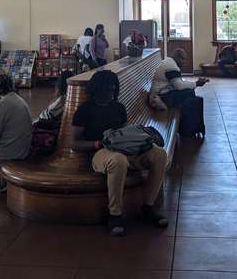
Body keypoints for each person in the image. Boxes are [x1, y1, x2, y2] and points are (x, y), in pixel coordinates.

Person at [71, 70, 168, 236]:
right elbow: (74, 143)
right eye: (107, 89)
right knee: (118, 160)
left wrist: (137, 140)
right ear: (97, 90)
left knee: (159, 154)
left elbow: (124, 131)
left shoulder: (118, 107)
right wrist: (98, 143)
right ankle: (114, 214)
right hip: (100, 152)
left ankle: (148, 206)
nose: (111, 92)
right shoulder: (85, 110)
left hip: (125, 148)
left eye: (113, 88)